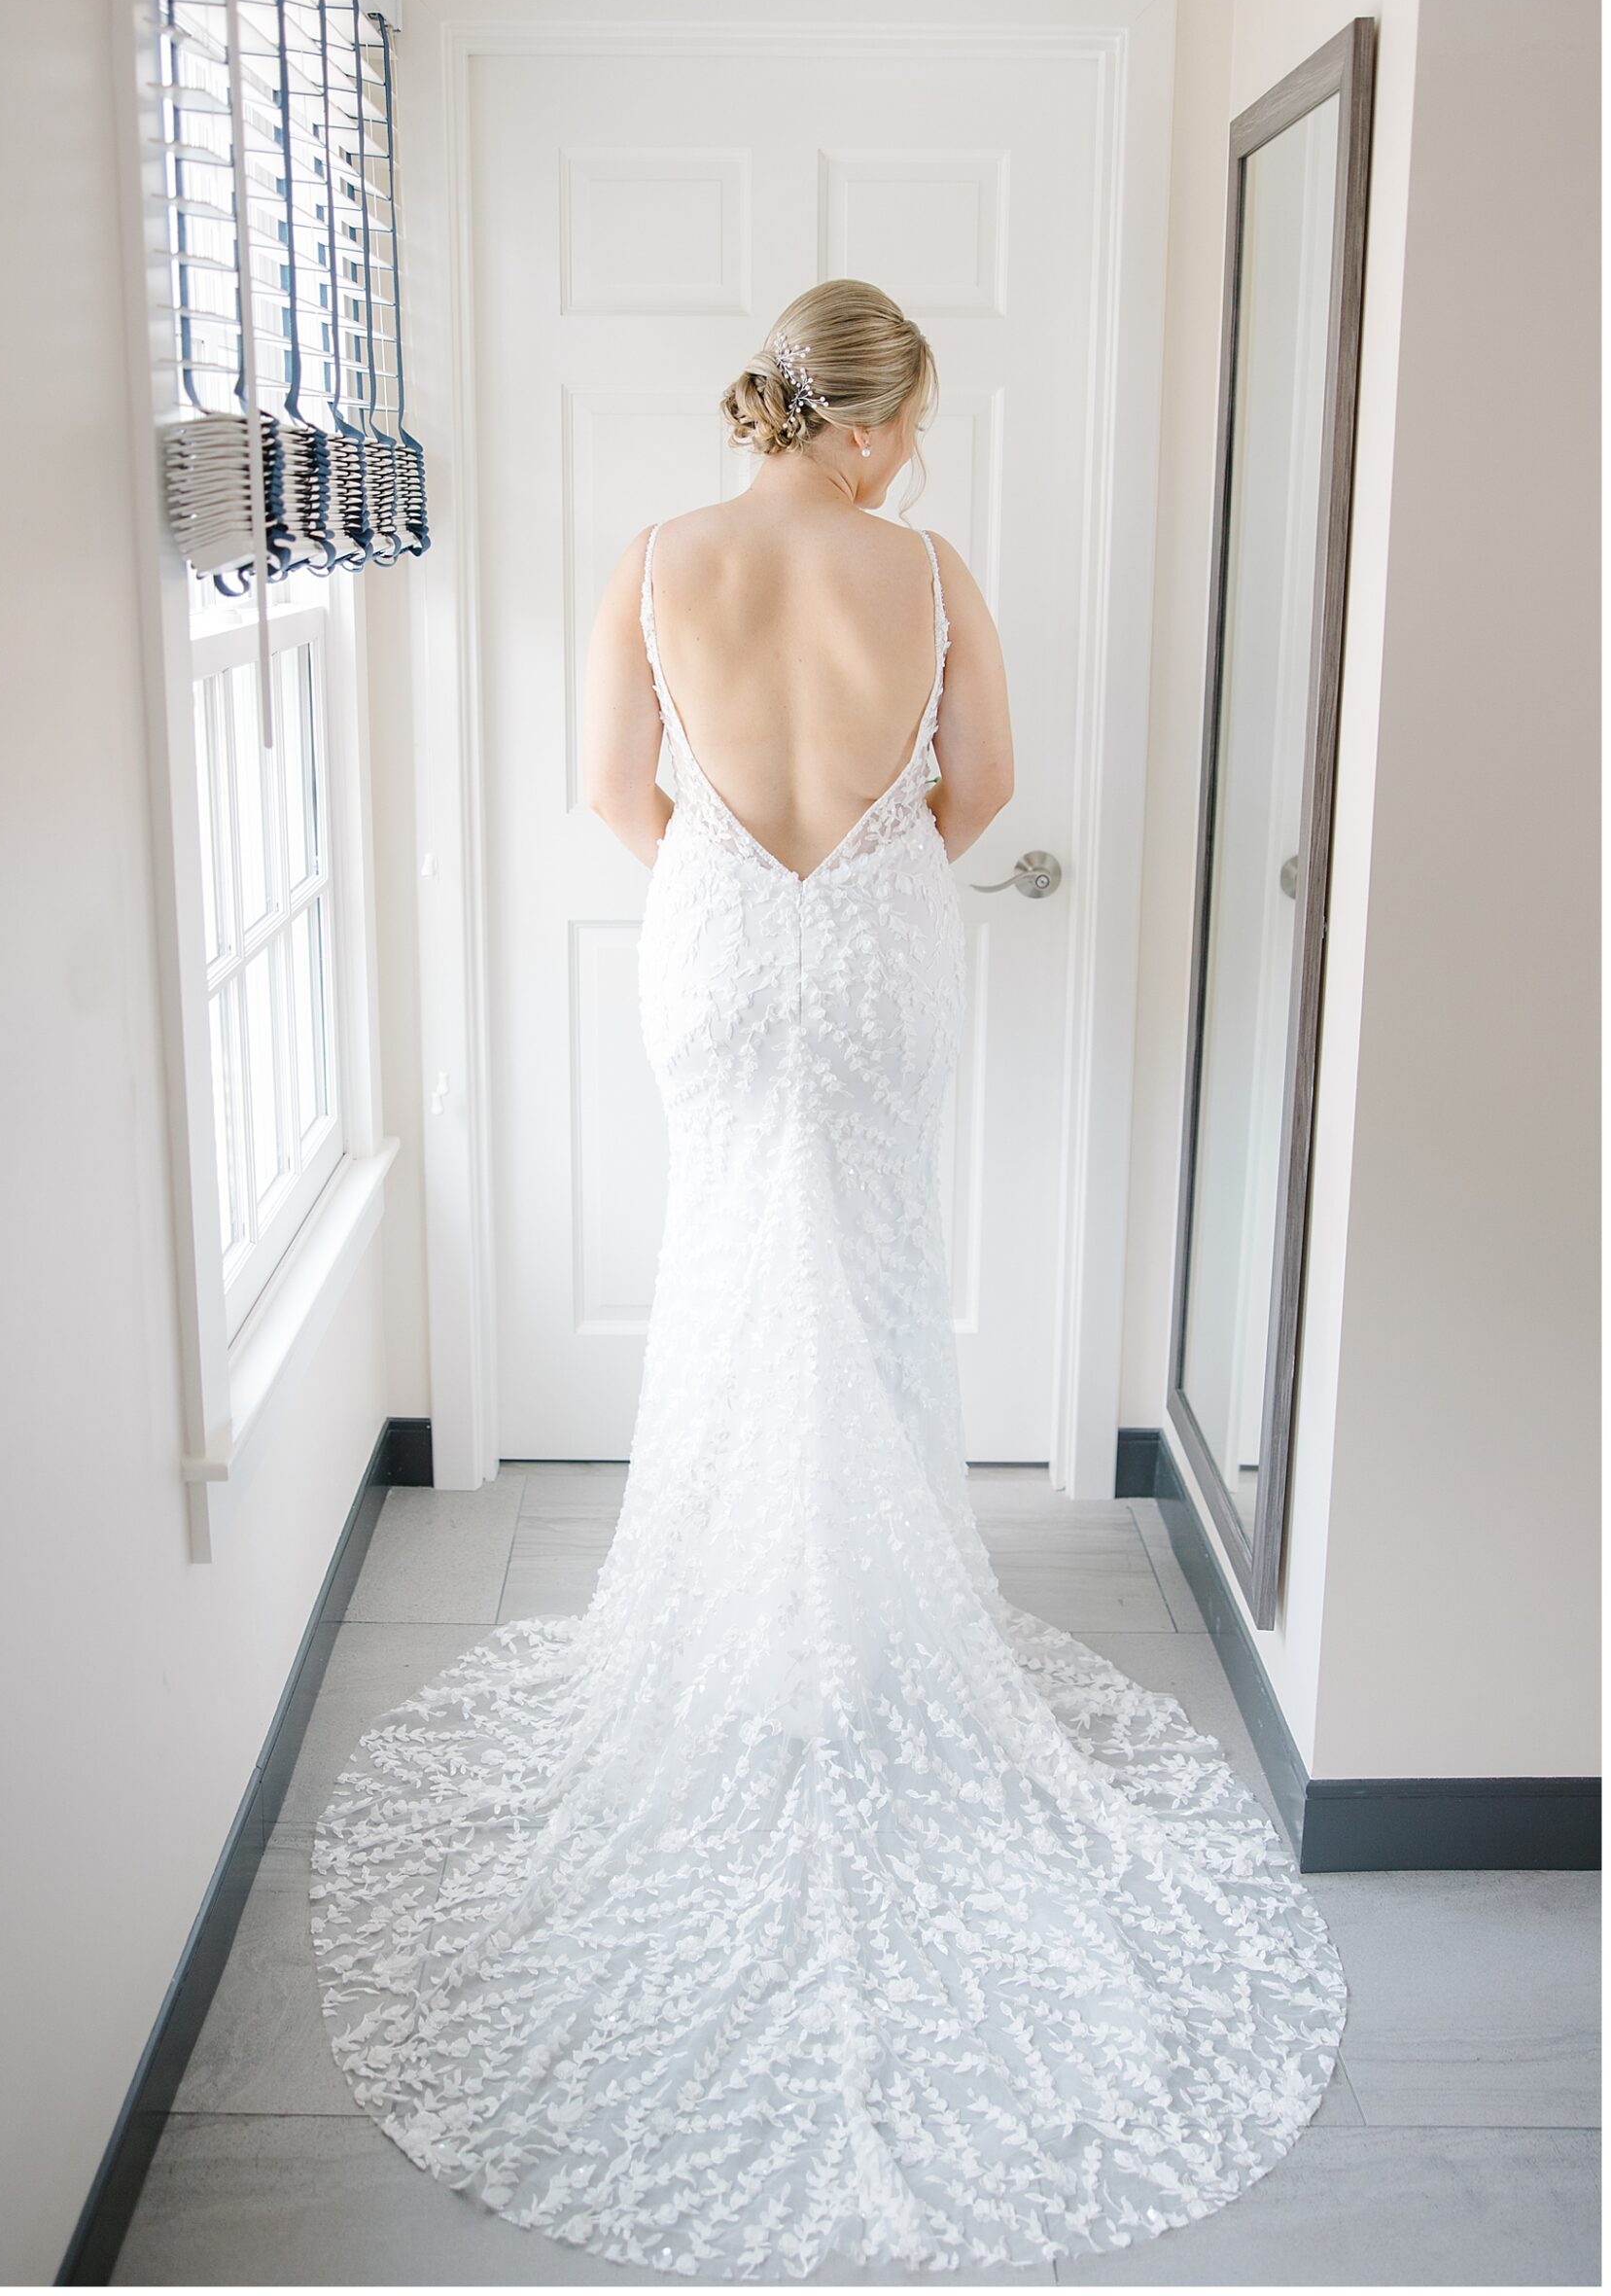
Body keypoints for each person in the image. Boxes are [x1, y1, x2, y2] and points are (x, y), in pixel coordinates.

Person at [311, 279, 1347, 2281]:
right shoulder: (924, 565)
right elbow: (984, 789)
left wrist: (735, 866)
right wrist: (863, 864)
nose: (914, 457)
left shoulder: (655, 556)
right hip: (870, 953)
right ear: (868, 424)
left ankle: (741, 1629)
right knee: (859, 1290)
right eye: (915, 424)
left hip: (711, 946)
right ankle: (857, 1635)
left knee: (727, 1273)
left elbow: (614, 793)